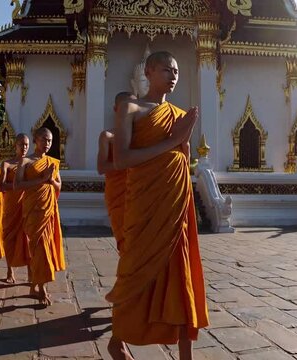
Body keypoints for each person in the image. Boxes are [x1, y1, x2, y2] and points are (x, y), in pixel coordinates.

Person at [105, 51, 209, 360]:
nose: (173, 75)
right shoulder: (130, 107)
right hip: (145, 204)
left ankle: (185, 353)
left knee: (180, 275)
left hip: (175, 205)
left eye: (176, 71)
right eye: (166, 69)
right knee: (135, 270)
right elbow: (122, 159)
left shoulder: (179, 114)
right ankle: (117, 338)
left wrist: (182, 137)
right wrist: (172, 140)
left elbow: (184, 159)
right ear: (148, 71)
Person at [14, 127, 65, 306]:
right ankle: (40, 288)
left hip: (48, 210)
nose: (47, 143)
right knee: (38, 247)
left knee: (44, 248)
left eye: (50, 141)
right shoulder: (25, 161)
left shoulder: (52, 162)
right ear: (35, 139)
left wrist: (51, 180)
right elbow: (17, 185)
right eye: (44, 139)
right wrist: (41, 180)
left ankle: (37, 286)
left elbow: (59, 186)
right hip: (32, 210)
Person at [97, 91, 136, 254]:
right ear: (115, 109)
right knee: (125, 241)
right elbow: (101, 167)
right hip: (118, 193)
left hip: (140, 191)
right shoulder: (108, 136)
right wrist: (124, 162)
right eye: (124, 106)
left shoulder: (143, 136)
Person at [0, 134, 31, 283]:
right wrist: (18, 186)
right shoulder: (6, 164)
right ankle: (10, 270)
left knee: (28, 239)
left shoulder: (30, 163)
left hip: (27, 205)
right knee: (9, 239)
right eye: (21, 144)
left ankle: (31, 272)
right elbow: (1, 185)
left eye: (26, 144)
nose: (24, 147)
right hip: (11, 206)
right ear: (15, 145)